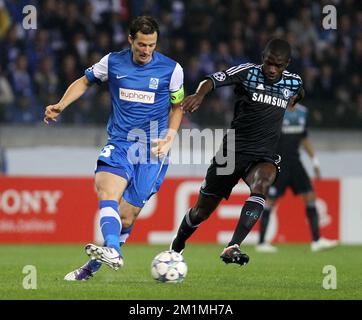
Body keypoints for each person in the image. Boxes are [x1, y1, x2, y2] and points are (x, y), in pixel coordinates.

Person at [44, 16, 184, 280]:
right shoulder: (112, 62)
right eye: (141, 44)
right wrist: (61, 105)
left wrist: (170, 137)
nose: (146, 50)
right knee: (106, 189)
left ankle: (92, 268)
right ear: (130, 40)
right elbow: (84, 81)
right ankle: (114, 251)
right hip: (120, 143)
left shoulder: (172, 70)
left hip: (153, 151)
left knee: (127, 218)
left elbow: (178, 107)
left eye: (151, 45)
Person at [170, 38, 304, 266]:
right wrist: (200, 95)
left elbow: (300, 91)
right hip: (231, 152)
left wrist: (295, 98)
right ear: (263, 57)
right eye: (269, 63)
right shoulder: (247, 72)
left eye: (278, 65)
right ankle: (176, 246)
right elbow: (213, 80)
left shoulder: (293, 82)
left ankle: (233, 246)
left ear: (287, 64)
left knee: (262, 185)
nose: (272, 69)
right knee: (202, 211)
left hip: (264, 155)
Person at [256, 103, 338, 253]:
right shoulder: (276, 112)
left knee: (310, 195)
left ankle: (316, 241)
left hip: (295, 162)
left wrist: (315, 161)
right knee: (270, 201)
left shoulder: (302, 112)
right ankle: (261, 243)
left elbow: (304, 138)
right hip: (279, 163)